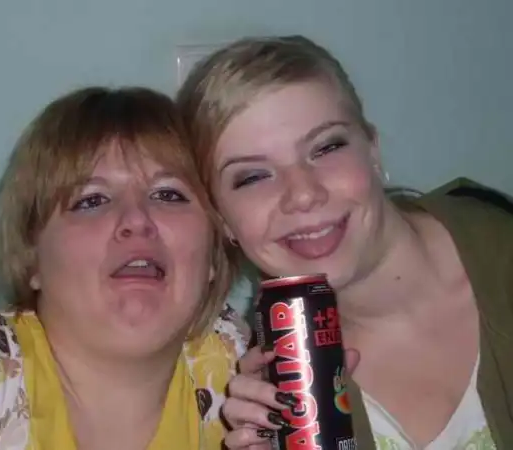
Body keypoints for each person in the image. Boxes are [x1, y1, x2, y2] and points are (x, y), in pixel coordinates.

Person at [177, 35, 513, 449]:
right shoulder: (277, 375)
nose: (303, 194)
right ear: (222, 219)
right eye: (253, 176)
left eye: (325, 148)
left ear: (373, 150)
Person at [0, 86, 251, 449]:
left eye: (168, 194)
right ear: (32, 257)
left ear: (214, 251)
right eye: (91, 200)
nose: (136, 220)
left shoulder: (240, 376)